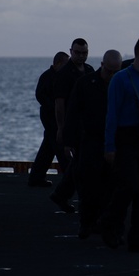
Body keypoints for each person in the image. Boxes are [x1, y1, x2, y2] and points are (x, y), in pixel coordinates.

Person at [102, 36, 139, 253]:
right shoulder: (120, 79)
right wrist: (109, 146)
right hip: (125, 136)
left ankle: (137, 236)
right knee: (128, 185)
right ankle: (111, 225)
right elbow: (112, 114)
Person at [62, 50, 122, 239]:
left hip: (113, 140)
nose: (111, 75)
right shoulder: (85, 83)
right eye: (109, 70)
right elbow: (72, 112)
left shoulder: (121, 85)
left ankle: (106, 223)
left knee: (111, 187)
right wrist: (68, 141)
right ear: (102, 64)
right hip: (89, 140)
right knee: (88, 186)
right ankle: (86, 223)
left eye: (115, 71)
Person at [50, 38, 93, 213]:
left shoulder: (89, 70)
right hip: (73, 124)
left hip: (88, 124)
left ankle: (61, 194)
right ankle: (78, 199)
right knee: (81, 165)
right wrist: (61, 128)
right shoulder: (64, 74)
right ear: (71, 52)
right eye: (78, 53)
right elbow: (59, 104)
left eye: (84, 53)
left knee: (79, 164)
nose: (81, 56)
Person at [27, 51, 69, 187]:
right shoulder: (47, 76)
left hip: (54, 114)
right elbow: (40, 95)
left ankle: (36, 177)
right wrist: (53, 106)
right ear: (58, 63)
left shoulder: (59, 77)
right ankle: (70, 176)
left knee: (48, 147)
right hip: (49, 115)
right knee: (59, 145)